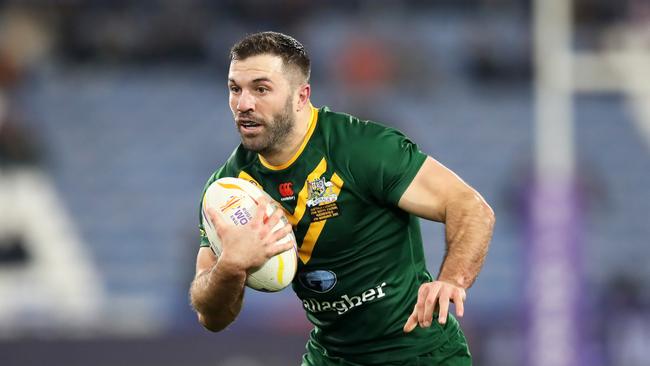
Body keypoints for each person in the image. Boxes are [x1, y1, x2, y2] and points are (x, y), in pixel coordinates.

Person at [189, 31, 495, 366]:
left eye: (261, 89)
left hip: (420, 354)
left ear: (300, 96)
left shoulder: (363, 149)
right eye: (235, 89)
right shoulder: (228, 188)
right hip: (333, 357)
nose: (244, 104)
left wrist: (451, 280)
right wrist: (229, 266)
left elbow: (471, 207)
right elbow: (212, 317)